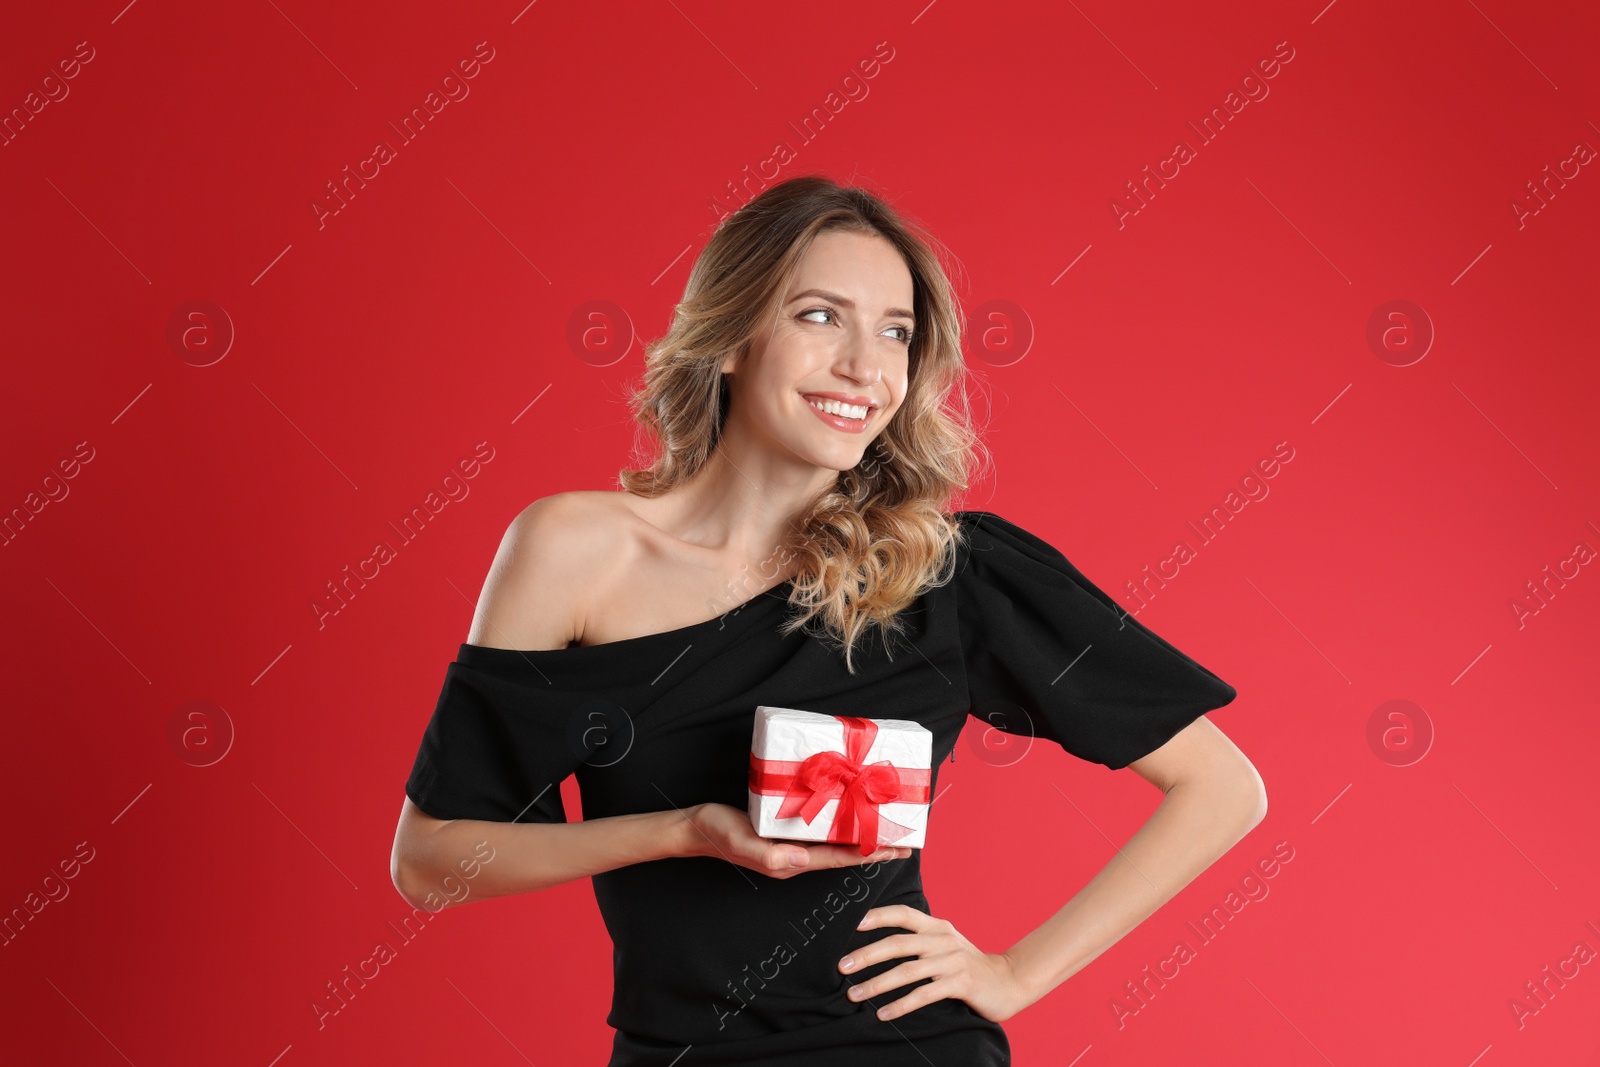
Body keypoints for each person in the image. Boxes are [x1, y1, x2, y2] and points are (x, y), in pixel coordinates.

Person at [391, 174, 1266, 1065]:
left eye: (896, 332)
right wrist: (688, 829)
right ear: (729, 336)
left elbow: (1223, 787)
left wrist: (1013, 974)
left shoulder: (950, 573)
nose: (866, 367)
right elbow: (429, 863)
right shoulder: (574, 550)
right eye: (820, 316)